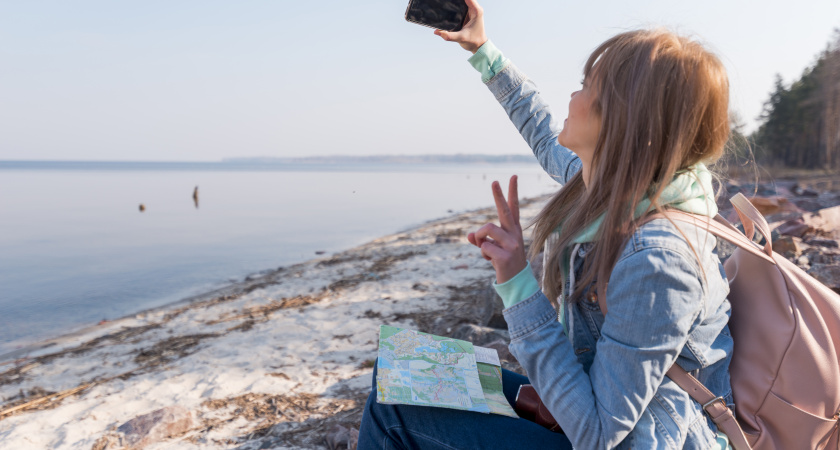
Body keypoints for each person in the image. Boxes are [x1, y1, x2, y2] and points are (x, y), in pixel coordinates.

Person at [358, 0, 735, 447]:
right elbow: (538, 127)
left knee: (393, 410)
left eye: (586, 87)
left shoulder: (659, 261)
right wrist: (481, 49)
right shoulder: (615, 188)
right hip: (601, 406)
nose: (572, 97)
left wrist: (518, 283)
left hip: (640, 438)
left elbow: (598, 433)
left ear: (623, 120)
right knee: (400, 371)